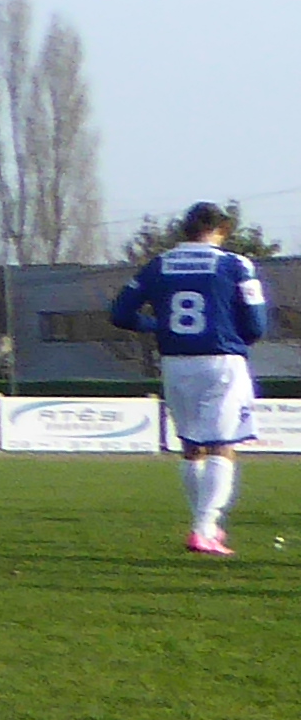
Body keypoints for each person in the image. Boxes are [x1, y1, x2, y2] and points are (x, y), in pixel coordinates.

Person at [112, 207, 271, 554]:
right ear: (220, 230)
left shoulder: (158, 265)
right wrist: (237, 337)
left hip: (174, 362)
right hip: (221, 361)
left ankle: (206, 525)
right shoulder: (235, 264)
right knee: (221, 445)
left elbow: (120, 313)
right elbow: (257, 324)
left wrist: (156, 326)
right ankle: (203, 528)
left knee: (192, 447)